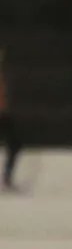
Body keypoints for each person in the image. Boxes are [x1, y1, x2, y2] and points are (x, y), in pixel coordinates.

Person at [0, 49, 19, 192]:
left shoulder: (4, 73)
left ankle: (7, 177)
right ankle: (7, 177)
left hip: (4, 114)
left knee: (14, 145)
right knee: (14, 145)